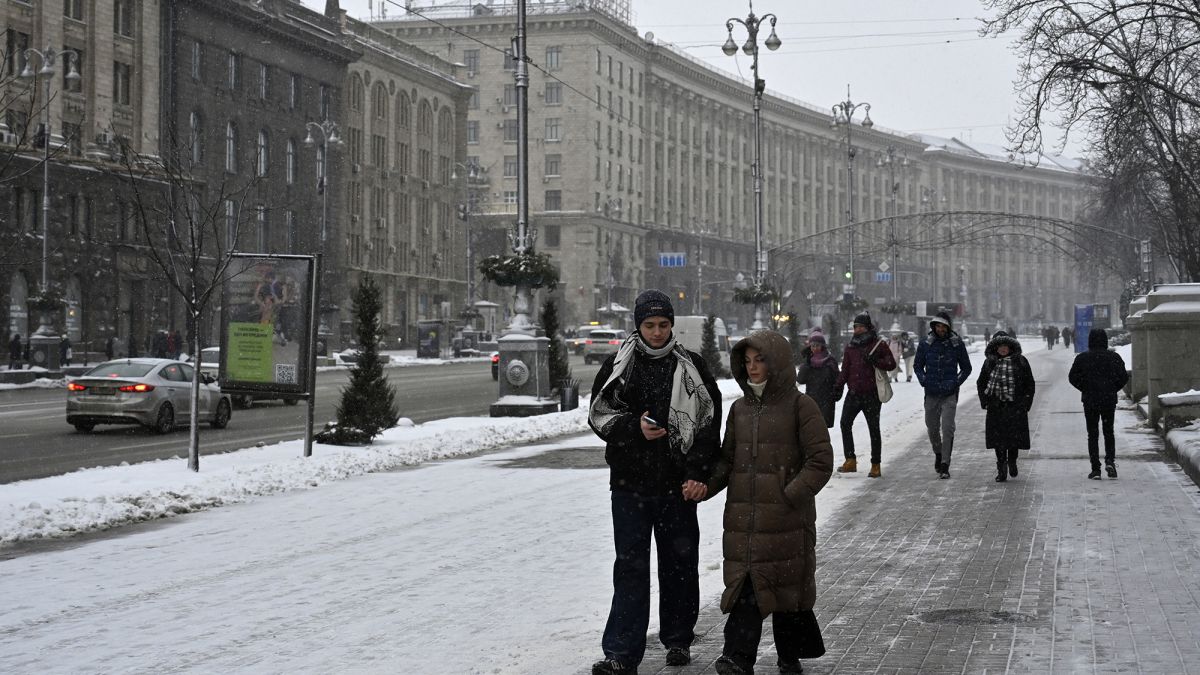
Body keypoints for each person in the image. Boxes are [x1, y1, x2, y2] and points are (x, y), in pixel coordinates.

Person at [588, 289, 722, 674]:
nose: (658, 332)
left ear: (672, 325)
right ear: (638, 325)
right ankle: (622, 653)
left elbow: (709, 425)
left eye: (664, 324)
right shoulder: (620, 365)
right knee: (630, 568)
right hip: (630, 486)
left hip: (676, 487)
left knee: (679, 564)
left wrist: (697, 473)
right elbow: (600, 415)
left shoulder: (691, 366)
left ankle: (678, 638)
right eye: (650, 325)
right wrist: (635, 428)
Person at [707, 331, 833, 675]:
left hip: (786, 521)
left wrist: (789, 494)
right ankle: (737, 657)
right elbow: (726, 461)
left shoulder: (800, 406)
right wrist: (703, 487)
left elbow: (820, 460)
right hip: (745, 523)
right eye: (747, 361)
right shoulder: (739, 409)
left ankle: (790, 654)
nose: (753, 368)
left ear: (775, 362)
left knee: (787, 591)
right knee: (747, 586)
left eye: (760, 360)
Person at [834, 313, 896, 478]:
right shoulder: (850, 347)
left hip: (871, 394)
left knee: (873, 429)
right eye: (856, 326)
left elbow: (891, 364)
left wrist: (876, 361)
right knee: (844, 423)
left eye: (861, 326)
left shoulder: (878, 345)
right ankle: (850, 460)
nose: (858, 329)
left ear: (868, 327)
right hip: (853, 393)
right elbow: (845, 369)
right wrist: (838, 386)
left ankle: (875, 464)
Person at [914, 311, 972, 479]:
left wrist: (956, 382)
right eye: (937, 326)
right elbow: (918, 366)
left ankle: (945, 463)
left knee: (947, 428)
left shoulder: (956, 344)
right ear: (934, 327)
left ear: (948, 327)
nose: (940, 329)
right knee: (932, 427)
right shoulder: (926, 344)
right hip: (931, 392)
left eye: (943, 326)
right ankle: (938, 452)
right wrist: (923, 380)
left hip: (949, 393)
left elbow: (966, 368)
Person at [1068, 328, 1130, 479]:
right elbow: (1123, 377)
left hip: (1090, 400)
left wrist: (1085, 387)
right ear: (1105, 340)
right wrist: (1112, 388)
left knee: (1093, 434)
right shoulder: (1113, 357)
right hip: (1108, 400)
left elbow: (1072, 377)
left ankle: (1095, 468)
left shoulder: (1082, 358)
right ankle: (1110, 461)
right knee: (1109, 432)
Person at [976, 331, 1035, 482]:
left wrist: (1026, 403)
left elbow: (1030, 383)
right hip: (996, 407)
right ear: (995, 348)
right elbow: (981, 382)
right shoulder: (989, 363)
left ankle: (1012, 461)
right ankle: (1001, 467)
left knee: (1013, 439)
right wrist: (985, 401)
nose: (1003, 349)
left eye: (1005, 346)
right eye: (1000, 346)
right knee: (998, 439)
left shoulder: (1021, 361)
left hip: (1016, 406)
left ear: (1010, 347)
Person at [795, 328, 839, 428]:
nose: (815, 348)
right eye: (812, 345)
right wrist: (807, 361)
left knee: (822, 434)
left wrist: (835, 395)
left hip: (827, 402)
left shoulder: (830, 361)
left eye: (817, 345)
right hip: (811, 402)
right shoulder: (808, 362)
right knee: (811, 433)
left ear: (822, 346)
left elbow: (837, 380)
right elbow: (801, 380)